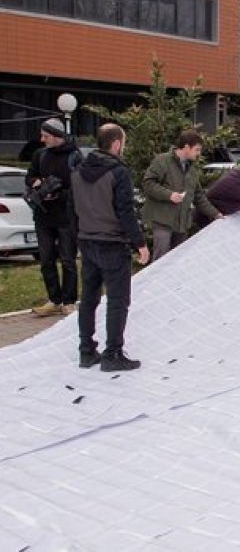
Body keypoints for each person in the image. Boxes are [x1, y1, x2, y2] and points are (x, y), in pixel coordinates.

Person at [70, 124, 150, 371]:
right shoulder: (118, 172)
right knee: (117, 300)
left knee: (89, 299)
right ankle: (113, 354)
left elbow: (71, 209)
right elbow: (125, 211)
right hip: (112, 243)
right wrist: (140, 243)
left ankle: (86, 352)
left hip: (87, 240)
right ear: (116, 143)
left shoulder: (77, 170)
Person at [25, 118, 83, 317]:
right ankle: (54, 299)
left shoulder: (74, 156)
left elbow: (80, 184)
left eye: (46, 136)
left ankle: (69, 301)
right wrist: (39, 183)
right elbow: (29, 176)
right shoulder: (40, 155)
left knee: (67, 260)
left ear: (57, 136)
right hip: (43, 215)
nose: (42, 140)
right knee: (46, 260)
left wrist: (60, 189)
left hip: (66, 216)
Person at [142, 129, 221, 261]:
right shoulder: (162, 161)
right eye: (196, 149)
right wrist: (169, 195)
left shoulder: (192, 170)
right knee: (161, 259)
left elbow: (198, 196)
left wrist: (215, 214)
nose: (199, 154)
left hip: (182, 224)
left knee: (178, 261)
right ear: (186, 147)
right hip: (163, 221)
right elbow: (148, 184)